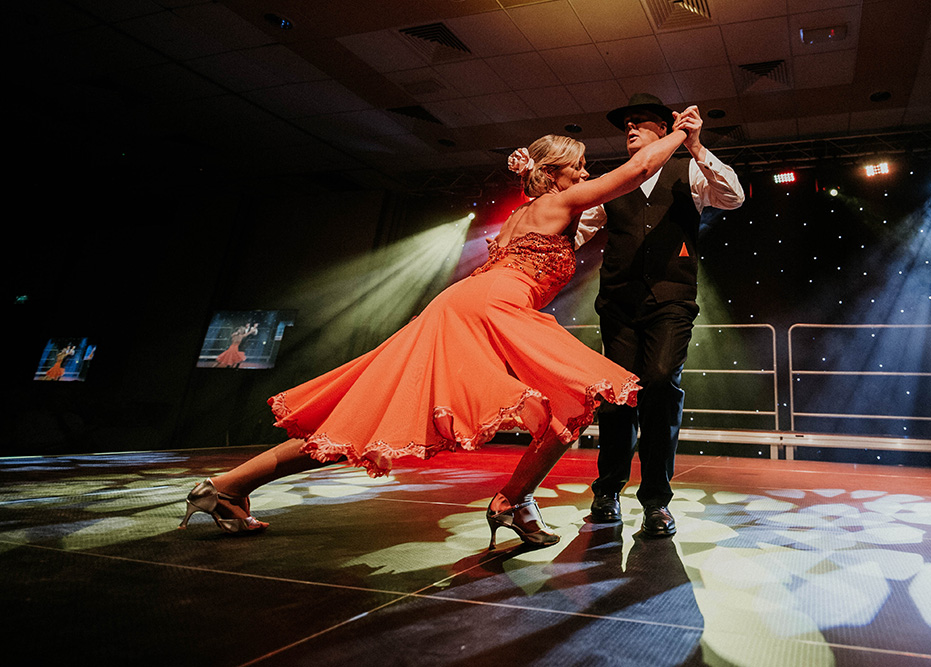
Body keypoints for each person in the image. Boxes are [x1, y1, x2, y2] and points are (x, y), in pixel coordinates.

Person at [180, 126, 691, 550]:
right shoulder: (563, 201)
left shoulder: (521, 216)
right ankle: (513, 501)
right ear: (556, 174)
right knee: (580, 396)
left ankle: (226, 486)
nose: (585, 174)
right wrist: (680, 133)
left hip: (460, 303)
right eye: (577, 166)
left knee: (364, 414)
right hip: (495, 308)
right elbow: (640, 170)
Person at [577, 93, 745, 537]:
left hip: (671, 300)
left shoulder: (688, 168)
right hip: (618, 302)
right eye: (626, 123)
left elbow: (734, 198)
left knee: (658, 383)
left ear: (662, 128)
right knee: (616, 396)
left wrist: (694, 145)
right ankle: (607, 490)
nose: (630, 128)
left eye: (640, 122)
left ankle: (655, 501)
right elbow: (578, 230)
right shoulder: (614, 179)